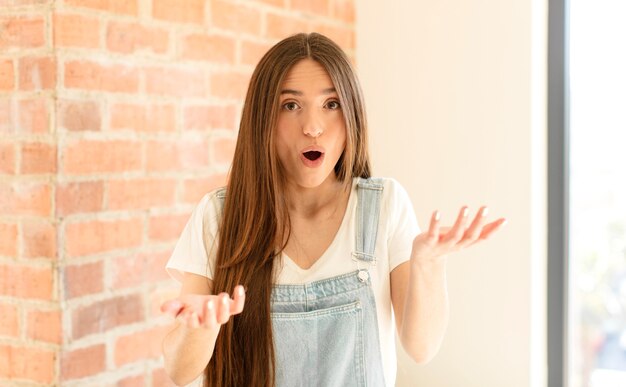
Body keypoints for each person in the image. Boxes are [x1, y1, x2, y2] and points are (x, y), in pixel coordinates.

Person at [160, 32, 507, 387]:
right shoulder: (219, 216)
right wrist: (202, 329)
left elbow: (421, 348)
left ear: (352, 113)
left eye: (331, 104)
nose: (312, 127)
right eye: (290, 105)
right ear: (262, 118)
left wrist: (429, 264)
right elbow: (178, 370)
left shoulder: (384, 204)